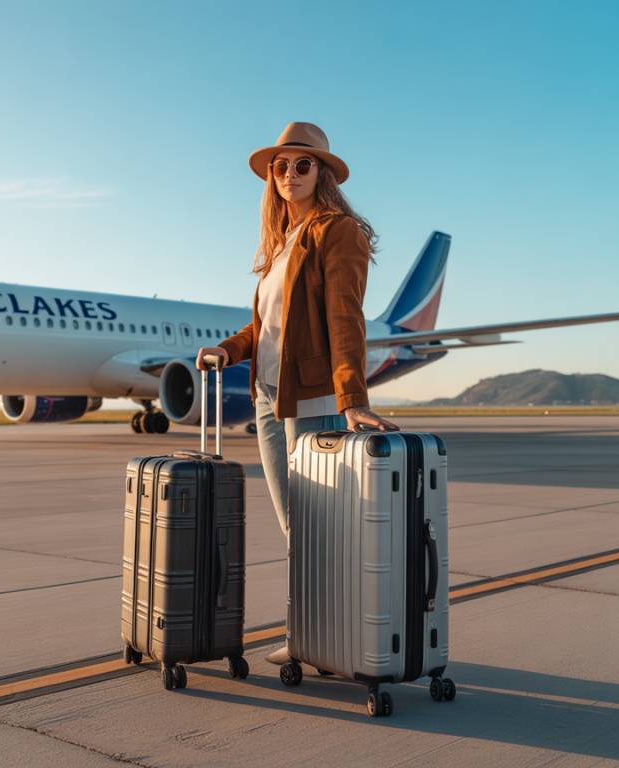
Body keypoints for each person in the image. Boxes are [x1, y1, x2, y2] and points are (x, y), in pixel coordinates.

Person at [196, 121, 399, 664]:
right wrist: (228, 349)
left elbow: (344, 318)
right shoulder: (280, 241)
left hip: (312, 399)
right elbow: (267, 326)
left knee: (320, 529)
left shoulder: (338, 231)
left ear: (323, 173)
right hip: (269, 397)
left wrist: (352, 398)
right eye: (279, 166)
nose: (288, 173)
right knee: (297, 527)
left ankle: (325, 634)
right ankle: (318, 632)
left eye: (301, 164)